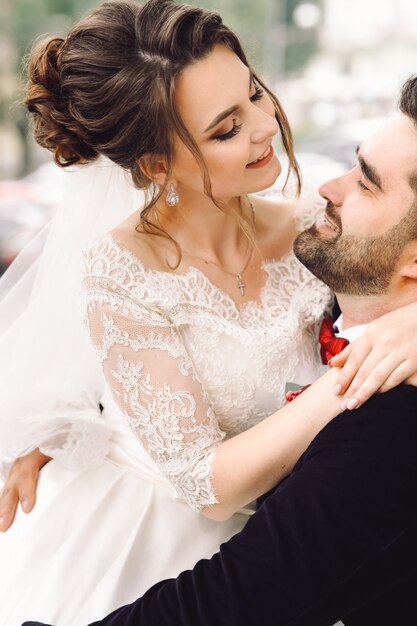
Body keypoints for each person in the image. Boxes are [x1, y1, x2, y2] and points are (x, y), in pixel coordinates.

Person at [1, 0, 416, 624]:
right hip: (157, 535)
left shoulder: (315, 223)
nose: (265, 124)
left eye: (254, 93)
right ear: (158, 164)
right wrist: (349, 378)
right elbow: (204, 484)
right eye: (226, 128)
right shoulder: (119, 272)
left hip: (298, 535)